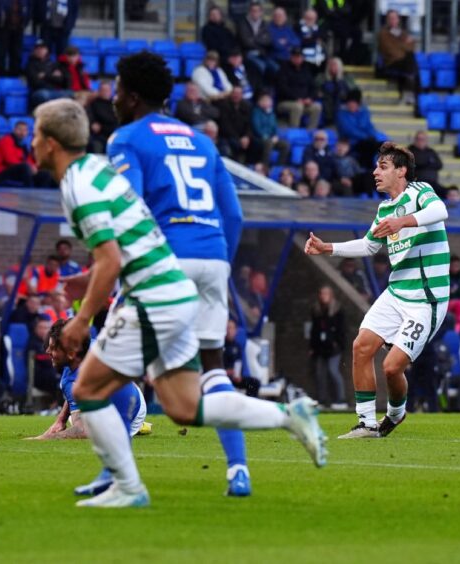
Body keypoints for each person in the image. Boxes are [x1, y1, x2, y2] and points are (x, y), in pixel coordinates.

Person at [31, 97, 326, 507]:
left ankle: (127, 487)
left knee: (89, 386)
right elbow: (127, 239)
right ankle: (288, 417)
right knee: (184, 406)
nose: (31, 142)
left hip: (153, 291)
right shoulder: (97, 171)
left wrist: (81, 319)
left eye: (34, 134)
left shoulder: (78, 183)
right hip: (176, 289)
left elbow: (111, 257)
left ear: (49, 143)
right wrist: (92, 277)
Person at [107, 51, 313, 497]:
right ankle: (238, 471)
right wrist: (218, 258)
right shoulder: (202, 141)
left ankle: (115, 477)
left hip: (166, 259)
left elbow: (134, 212)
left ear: (133, 94)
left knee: (112, 367)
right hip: (213, 257)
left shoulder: (127, 139)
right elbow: (233, 214)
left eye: (118, 87)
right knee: (213, 370)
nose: (113, 96)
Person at [305, 142, 450, 438]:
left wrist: (402, 221)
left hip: (426, 298)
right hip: (396, 293)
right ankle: (366, 422)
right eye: (376, 167)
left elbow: (441, 210)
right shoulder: (385, 208)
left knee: (392, 367)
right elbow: (369, 245)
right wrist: (327, 248)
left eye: (382, 167)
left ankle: (396, 414)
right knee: (361, 347)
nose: (375, 172)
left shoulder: (419, 192)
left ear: (401, 171)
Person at [29, 318, 150, 497]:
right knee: (75, 417)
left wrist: (45, 438)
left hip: (130, 407)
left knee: (183, 411)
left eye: (54, 348)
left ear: (70, 352)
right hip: (132, 393)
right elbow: (74, 392)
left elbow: (82, 430)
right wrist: (61, 419)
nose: (48, 351)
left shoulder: (70, 380)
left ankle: (123, 480)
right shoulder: (88, 346)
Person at [309, 286, 347, 408]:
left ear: (331, 295)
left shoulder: (337, 310)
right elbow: (314, 330)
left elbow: (341, 329)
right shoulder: (316, 310)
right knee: (320, 374)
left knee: (333, 371)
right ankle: (322, 399)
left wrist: (338, 343)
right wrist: (312, 347)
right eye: (321, 294)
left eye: (326, 294)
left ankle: (341, 399)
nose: (323, 296)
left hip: (333, 347)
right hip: (320, 347)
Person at [0, 120, 51, 187]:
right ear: (14, 130)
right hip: (2, 172)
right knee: (25, 168)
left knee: (45, 173)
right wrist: (29, 167)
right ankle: (28, 193)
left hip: (20, 170)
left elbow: (28, 159)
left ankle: (42, 195)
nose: (22, 133)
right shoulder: (6, 140)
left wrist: (34, 167)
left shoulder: (22, 144)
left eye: (25, 130)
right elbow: (10, 160)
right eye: (20, 130)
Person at [377, 10, 419, 104]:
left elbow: (412, 46)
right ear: (387, 20)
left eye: (395, 18)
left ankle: (408, 95)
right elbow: (389, 50)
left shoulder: (401, 32)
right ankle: (411, 94)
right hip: (391, 61)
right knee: (411, 63)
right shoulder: (383, 34)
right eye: (390, 18)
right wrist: (404, 45)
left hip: (403, 60)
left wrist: (402, 46)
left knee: (411, 61)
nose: (393, 20)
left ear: (398, 20)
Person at [337, 90, 382, 170]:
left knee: (382, 145)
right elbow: (349, 130)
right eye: (349, 103)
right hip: (351, 142)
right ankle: (367, 169)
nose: (351, 105)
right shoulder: (342, 114)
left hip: (367, 141)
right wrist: (366, 137)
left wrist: (371, 135)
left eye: (354, 103)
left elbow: (369, 126)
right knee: (369, 144)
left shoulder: (364, 112)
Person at [216, 86, 258, 165]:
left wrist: (246, 136)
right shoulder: (224, 105)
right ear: (231, 94)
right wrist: (238, 138)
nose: (236, 95)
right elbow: (225, 125)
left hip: (242, 136)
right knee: (232, 144)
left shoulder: (247, 106)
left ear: (242, 95)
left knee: (256, 143)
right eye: (234, 93)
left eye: (239, 94)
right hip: (227, 135)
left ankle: (249, 166)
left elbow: (249, 124)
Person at [236, 1, 277, 81]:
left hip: (262, 54)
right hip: (247, 53)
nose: (255, 13)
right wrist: (260, 39)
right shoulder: (243, 23)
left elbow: (268, 40)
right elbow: (246, 42)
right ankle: (260, 89)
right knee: (261, 66)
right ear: (250, 11)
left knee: (276, 67)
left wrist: (254, 39)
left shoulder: (264, 24)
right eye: (253, 10)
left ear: (261, 12)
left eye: (257, 11)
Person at [0, 0, 30, 76]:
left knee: (16, 56)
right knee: (1, 55)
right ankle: (0, 78)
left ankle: (14, 79)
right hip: (3, 28)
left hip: (18, 29)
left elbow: (29, 9)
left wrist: (24, 23)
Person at [26, 39, 70, 109]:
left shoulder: (52, 64)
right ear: (34, 51)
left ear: (46, 50)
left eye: (42, 48)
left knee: (70, 93)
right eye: (37, 48)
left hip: (54, 91)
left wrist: (45, 76)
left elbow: (60, 80)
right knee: (43, 95)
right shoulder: (30, 65)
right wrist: (52, 76)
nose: (40, 50)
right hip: (39, 91)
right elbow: (36, 82)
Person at [315, 57, 358, 126]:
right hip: (326, 101)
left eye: (335, 65)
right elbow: (315, 89)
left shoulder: (346, 78)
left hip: (342, 101)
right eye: (331, 65)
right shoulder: (321, 77)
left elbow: (354, 91)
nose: (333, 67)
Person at [251, 92, 290, 167]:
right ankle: (265, 166)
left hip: (271, 138)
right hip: (259, 138)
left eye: (269, 101)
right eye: (265, 100)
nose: (267, 102)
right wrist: (267, 137)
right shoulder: (256, 112)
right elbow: (256, 127)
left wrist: (275, 136)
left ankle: (278, 167)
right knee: (269, 143)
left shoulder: (272, 114)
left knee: (285, 145)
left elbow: (275, 127)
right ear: (260, 102)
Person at [86, 80, 117, 154]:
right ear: (99, 91)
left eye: (107, 90)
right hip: (99, 135)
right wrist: (92, 123)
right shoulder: (94, 104)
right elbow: (90, 117)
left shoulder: (115, 104)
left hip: (114, 132)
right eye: (103, 90)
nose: (106, 92)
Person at [297, 8, 325, 74]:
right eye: (308, 18)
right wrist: (313, 39)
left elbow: (322, 39)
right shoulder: (298, 27)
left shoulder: (318, 28)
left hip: (319, 58)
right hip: (304, 58)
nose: (310, 20)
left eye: (312, 18)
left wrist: (311, 38)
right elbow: (301, 42)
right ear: (304, 18)